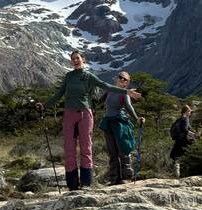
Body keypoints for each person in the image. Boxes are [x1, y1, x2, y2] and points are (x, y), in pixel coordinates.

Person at [35, 50, 141, 191]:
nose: (75, 60)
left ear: (83, 60)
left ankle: (86, 183)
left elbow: (106, 86)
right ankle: (72, 184)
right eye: (73, 59)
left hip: (85, 114)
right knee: (69, 148)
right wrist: (45, 105)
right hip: (69, 114)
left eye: (77, 58)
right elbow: (59, 94)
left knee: (86, 147)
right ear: (71, 61)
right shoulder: (69, 76)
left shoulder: (89, 76)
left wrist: (126, 92)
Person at [98, 71, 145, 185]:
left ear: (127, 83)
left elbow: (129, 107)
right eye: (121, 77)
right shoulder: (110, 90)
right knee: (112, 152)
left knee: (123, 150)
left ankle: (126, 177)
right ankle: (115, 178)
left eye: (125, 79)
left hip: (120, 124)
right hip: (109, 123)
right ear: (116, 79)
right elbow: (99, 101)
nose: (122, 80)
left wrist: (136, 118)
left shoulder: (125, 93)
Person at [169, 105, 196, 179]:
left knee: (174, 156)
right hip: (184, 140)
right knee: (181, 156)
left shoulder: (179, 119)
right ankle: (180, 175)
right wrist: (193, 134)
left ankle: (176, 174)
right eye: (190, 111)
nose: (190, 113)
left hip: (179, 140)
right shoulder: (185, 119)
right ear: (187, 111)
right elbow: (185, 129)